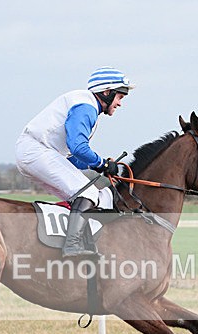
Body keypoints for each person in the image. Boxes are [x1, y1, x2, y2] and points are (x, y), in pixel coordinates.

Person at [15, 66, 134, 257]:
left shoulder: (85, 104)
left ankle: (81, 245)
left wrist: (98, 166)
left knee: (90, 198)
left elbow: (73, 158)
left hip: (36, 152)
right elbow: (78, 147)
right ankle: (71, 246)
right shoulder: (86, 107)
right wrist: (101, 164)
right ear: (106, 92)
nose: (120, 103)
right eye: (119, 97)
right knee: (88, 193)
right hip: (37, 152)